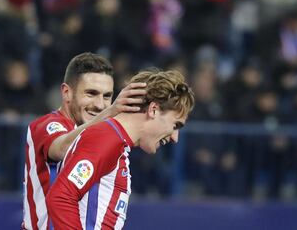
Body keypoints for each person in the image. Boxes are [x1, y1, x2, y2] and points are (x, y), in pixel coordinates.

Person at [46, 69, 195, 229]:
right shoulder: (106, 138)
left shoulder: (115, 141)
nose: (175, 137)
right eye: (175, 125)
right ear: (153, 110)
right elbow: (61, 197)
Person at [23, 52, 146, 230]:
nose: (100, 105)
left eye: (106, 96)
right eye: (91, 93)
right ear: (66, 93)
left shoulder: (102, 137)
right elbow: (62, 148)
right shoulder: (45, 125)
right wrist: (110, 113)